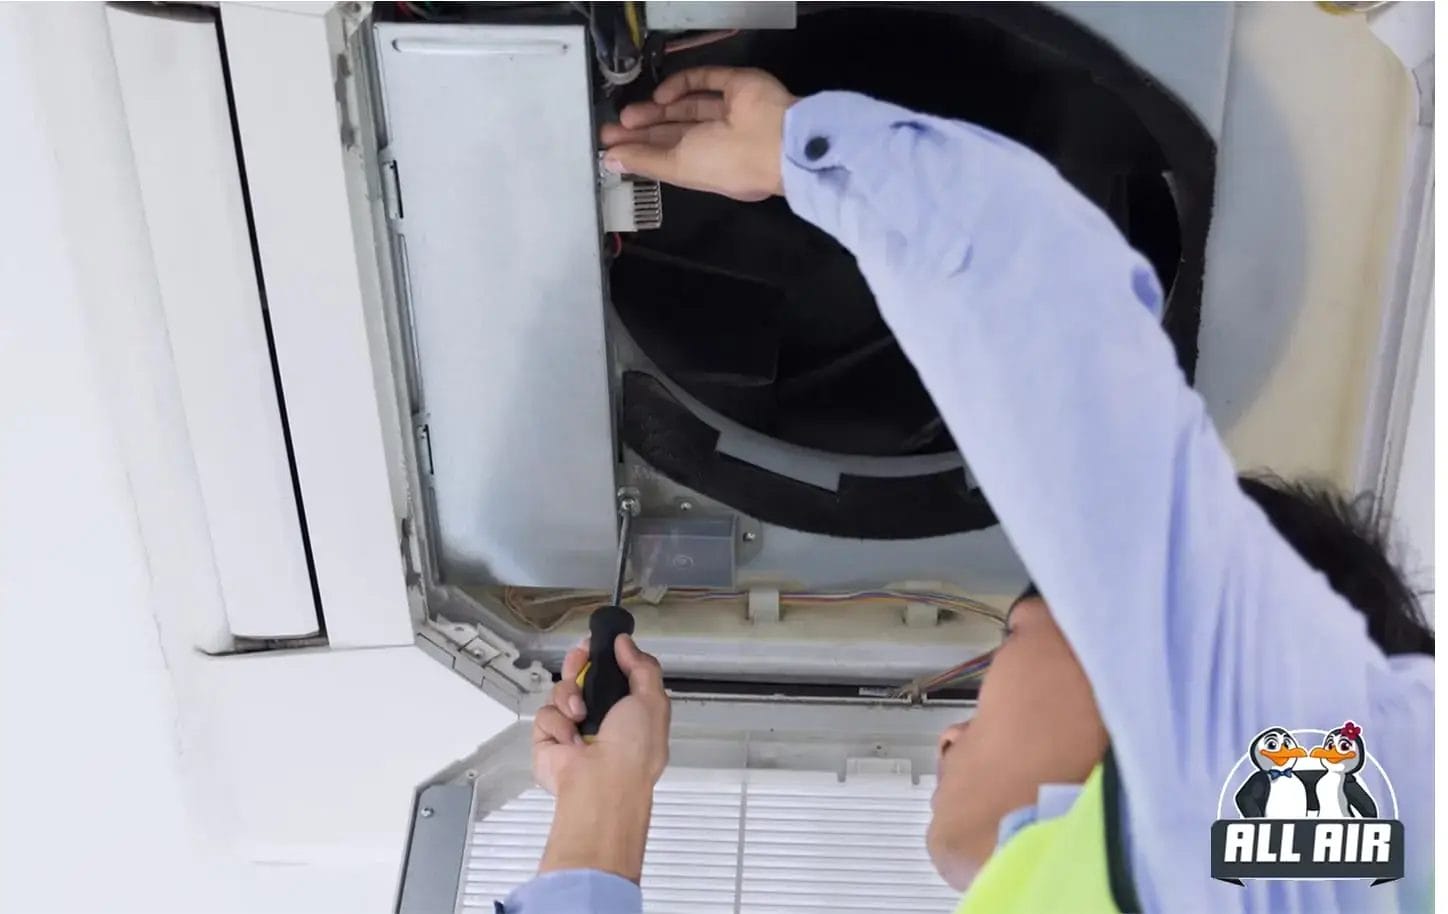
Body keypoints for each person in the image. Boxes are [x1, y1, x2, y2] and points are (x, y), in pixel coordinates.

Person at [502, 68, 1435, 913]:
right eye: (1007, 652)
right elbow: (1053, 338)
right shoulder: (1311, 823)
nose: (944, 741)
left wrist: (600, 810)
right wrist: (798, 152)